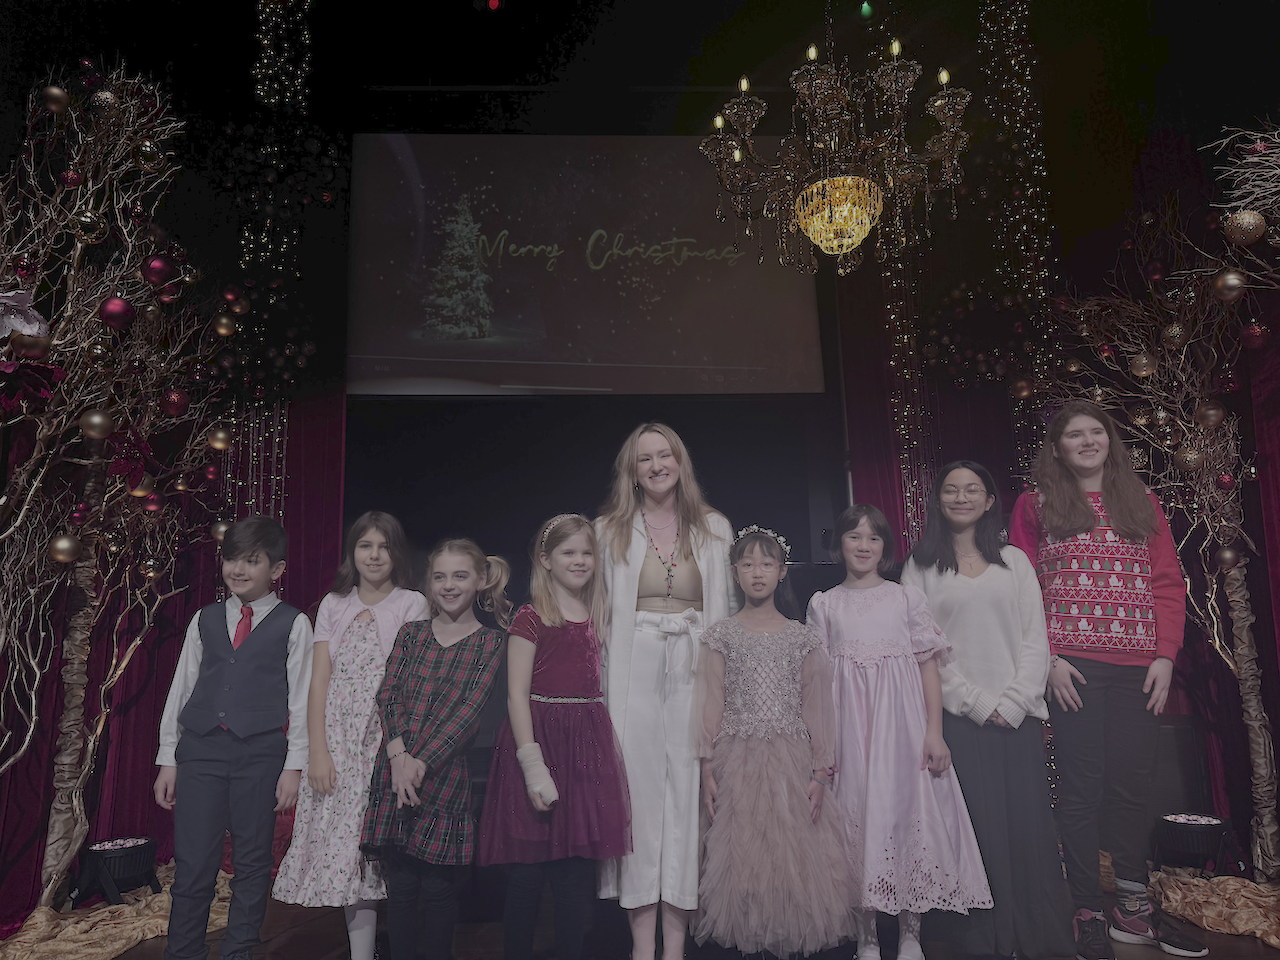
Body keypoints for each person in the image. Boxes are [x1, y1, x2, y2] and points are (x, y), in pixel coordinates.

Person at [1008, 401, 1208, 960]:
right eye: (1076, 434)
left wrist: (1165, 657)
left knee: (1130, 786)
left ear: (1110, 441)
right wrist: (1047, 660)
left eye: (1097, 432)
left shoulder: (1141, 502)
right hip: (1073, 667)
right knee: (1081, 789)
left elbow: (1168, 582)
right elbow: (1020, 593)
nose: (1088, 441)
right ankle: (1085, 909)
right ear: (1058, 447)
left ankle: (1132, 907)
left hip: (1139, 669)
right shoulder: (1036, 505)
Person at [901, 461, 1074, 960]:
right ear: (937, 500)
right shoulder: (920, 567)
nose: (961, 497)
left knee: (1028, 833)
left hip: (1018, 719)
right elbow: (921, 649)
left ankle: (1036, 939)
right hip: (957, 722)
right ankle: (981, 943)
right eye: (951, 490)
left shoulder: (1015, 562)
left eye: (972, 489)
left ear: (989, 499)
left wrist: (1015, 700)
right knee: (974, 835)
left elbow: (1034, 639)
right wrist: (976, 703)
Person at [807, 504, 991, 960]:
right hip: (849, 728)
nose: (863, 546)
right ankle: (866, 933)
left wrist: (935, 733)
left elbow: (929, 669)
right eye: (854, 537)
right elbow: (816, 681)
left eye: (873, 538)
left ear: (885, 548)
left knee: (905, 816)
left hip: (902, 729)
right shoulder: (824, 604)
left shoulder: (905, 598)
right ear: (840, 545)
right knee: (857, 814)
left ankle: (912, 930)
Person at [595, 422, 737, 960]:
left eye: (664, 455)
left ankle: (674, 948)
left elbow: (722, 612)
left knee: (688, 799)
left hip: (694, 665)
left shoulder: (714, 527)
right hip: (633, 669)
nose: (656, 466)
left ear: (681, 462)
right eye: (644, 458)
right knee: (638, 796)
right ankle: (640, 947)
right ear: (630, 470)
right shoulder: (608, 528)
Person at [153, 515, 313, 960]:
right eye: (231, 559)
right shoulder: (203, 620)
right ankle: (183, 952)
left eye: (252, 560)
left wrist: (293, 767)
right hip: (201, 752)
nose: (238, 569)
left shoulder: (294, 624)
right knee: (194, 863)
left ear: (276, 570)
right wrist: (169, 757)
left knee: (253, 862)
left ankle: (239, 950)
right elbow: (181, 689)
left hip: (259, 755)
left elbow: (300, 702)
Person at [273, 511, 428, 960]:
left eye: (383, 546)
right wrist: (317, 751)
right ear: (352, 552)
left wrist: (400, 745)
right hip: (339, 741)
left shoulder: (410, 602)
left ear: (395, 552)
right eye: (365, 546)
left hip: (385, 738)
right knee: (346, 852)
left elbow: (409, 676)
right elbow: (318, 682)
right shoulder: (333, 604)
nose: (374, 555)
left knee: (382, 851)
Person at [694, 526, 853, 957]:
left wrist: (821, 771)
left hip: (790, 758)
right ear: (735, 573)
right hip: (736, 757)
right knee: (743, 853)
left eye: (767, 564)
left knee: (791, 852)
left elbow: (817, 709)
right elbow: (711, 701)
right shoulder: (720, 635)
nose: (757, 572)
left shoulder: (801, 638)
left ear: (782, 572)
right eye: (747, 564)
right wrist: (707, 766)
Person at [479, 514, 631, 960]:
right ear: (546, 560)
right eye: (569, 552)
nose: (579, 560)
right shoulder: (531, 617)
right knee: (527, 876)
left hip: (585, 748)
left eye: (586, 553)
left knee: (573, 877)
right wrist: (532, 766)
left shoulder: (601, 614)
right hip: (539, 742)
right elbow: (515, 696)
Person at [360, 539, 511, 960]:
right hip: (395, 769)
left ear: (480, 580)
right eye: (440, 576)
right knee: (403, 888)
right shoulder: (412, 634)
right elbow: (389, 694)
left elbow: (467, 714)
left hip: (442, 777)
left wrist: (420, 763)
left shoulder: (489, 643)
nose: (448, 585)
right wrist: (399, 757)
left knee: (439, 891)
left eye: (460, 576)